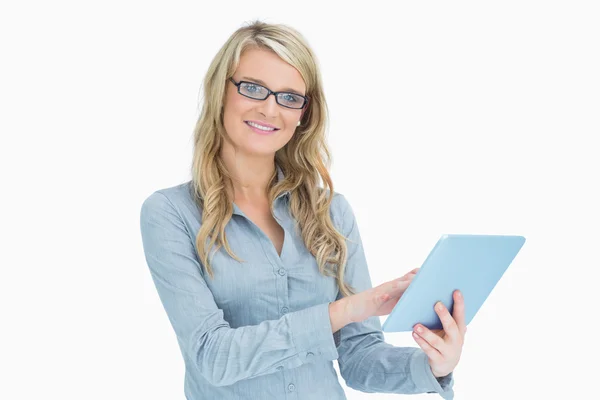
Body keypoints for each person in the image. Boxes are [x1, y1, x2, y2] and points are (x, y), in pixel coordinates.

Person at [139, 20, 466, 400]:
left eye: (289, 97)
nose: (269, 109)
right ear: (220, 92)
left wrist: (433, 365)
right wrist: (343, 311)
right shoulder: (170, 214)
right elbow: (213, 356)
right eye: (253, 88)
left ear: (303, 114)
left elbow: (359, 357)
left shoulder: (332, 213)